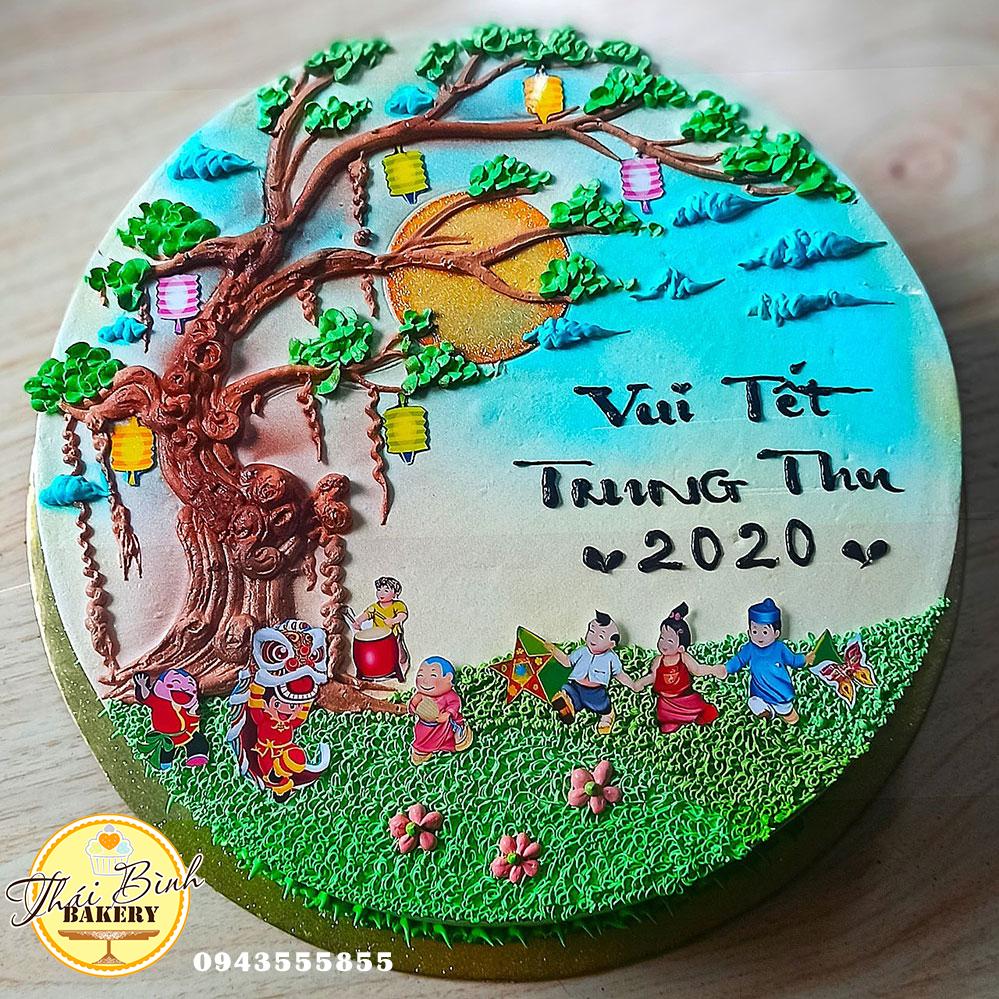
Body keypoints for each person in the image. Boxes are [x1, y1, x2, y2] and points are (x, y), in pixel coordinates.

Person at [547, 611, 649, 736]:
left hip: (594, 691)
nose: (593, 638)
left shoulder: (611, 658)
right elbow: (567, 661)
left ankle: (607, 716)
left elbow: (620, 674)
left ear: (612, 644)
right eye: (591, 631)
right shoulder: (582, 651)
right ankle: (567, 705)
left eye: (600, 636)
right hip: (575, 685)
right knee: (568, 691)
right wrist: (553, 650)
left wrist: (632, 685)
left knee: (602, 706)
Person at [722, 597, 814, 725]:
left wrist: (805, 659)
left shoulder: (780, 648)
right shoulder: (750, 648)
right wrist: (726, 668)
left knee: (788, 713)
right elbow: (739, 660)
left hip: (779, 690)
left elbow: (793, 659)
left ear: (776, 633)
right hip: (760, 691)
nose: (759, 636)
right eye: (755, 631)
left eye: (765, 632)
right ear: (749, 632)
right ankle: (768, 713)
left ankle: (785, 713)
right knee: (753, 701)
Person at [638, 602, 720, 734]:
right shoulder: (659, 660)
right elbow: (653, 676)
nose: (663, 643)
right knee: (665, 718)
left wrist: (713, 669)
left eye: (670, 641)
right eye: (662, 638)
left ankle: (695, 717)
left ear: (681, 647)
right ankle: (671, 722)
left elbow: (697, 670)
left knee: (702, 711)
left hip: (685, 698)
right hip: (666, 701)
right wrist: (641, 682)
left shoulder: (683, 657)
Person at [134, 668, 209, 769]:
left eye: (190, 689)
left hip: (185, 733)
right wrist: (142, 685)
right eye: (175, 683)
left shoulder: (183, 708)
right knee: (167, 749)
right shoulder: (159, 702)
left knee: (197, 739)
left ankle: (196, 755)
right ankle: (164, 762)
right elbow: (146, 697)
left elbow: (190, 720)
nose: (183, 689)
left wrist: (193, 712)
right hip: (167, 736)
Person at [408, 657, 473, 766]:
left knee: (449, 735)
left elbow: (454, 704)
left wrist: (447, 714)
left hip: (444, 726)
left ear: (448, 678)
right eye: (420, 675)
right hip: (424, 724)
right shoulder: (420, 695)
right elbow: (413, 705)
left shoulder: (449, 695)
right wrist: (413, 706)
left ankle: (457, 739)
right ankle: (422, 751)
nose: (424, 680)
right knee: (421, 736)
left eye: (433, 676)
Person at [353, 576, 410, 674]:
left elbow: (402, 615)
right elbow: (366, 614)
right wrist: (358, 621)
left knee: (398, 653)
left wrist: (393, 620)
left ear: (395, 594)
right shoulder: (375, 607)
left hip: (394, 634)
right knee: (381, 654)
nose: (381, 593)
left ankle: (402, 663)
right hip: (378, 636)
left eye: (386, 591)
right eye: (379, 590)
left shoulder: (398, 605)